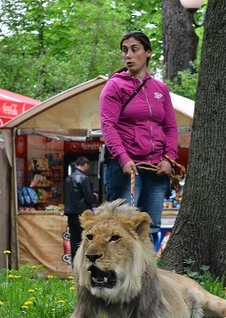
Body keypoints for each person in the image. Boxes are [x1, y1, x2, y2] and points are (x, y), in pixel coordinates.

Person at [99, 30, 178, 244]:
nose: (128, 55)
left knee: (150, 228)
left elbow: (170, 126)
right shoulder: (115, 86)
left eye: (135, 49)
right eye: (125, 51)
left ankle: (145, 275)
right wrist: (123, 159)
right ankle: (119, 276)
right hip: (126, 167)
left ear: (148, 53)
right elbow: (108, 126)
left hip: (156, 170)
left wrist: (168, 158)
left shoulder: (160, 88)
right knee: (121, 228)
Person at [64, 156, 97, 260]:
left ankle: (75, 264)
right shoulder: (83, 178)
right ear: (85, 165)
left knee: (74, 241)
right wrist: (95, 196)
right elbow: (89, 198)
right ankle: (83, 263)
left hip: (70, 213)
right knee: (85, 240)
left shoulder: (68, 178)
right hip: (82, 213)